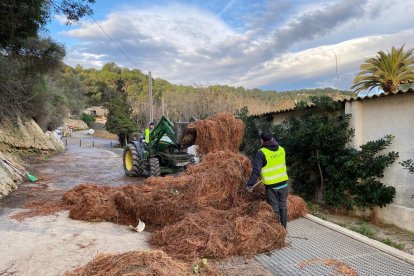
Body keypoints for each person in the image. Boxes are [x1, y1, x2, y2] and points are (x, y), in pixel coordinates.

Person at [246, 131, 289, 228]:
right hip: (284, 183)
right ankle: (283, 228)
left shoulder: (261, 153)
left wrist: (250, 184)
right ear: (272, 138)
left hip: (272, 186)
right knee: (283, 206)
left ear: (262, 140)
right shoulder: (281, 149)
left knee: (274, 208)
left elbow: (256, 170)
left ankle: (276, 230)